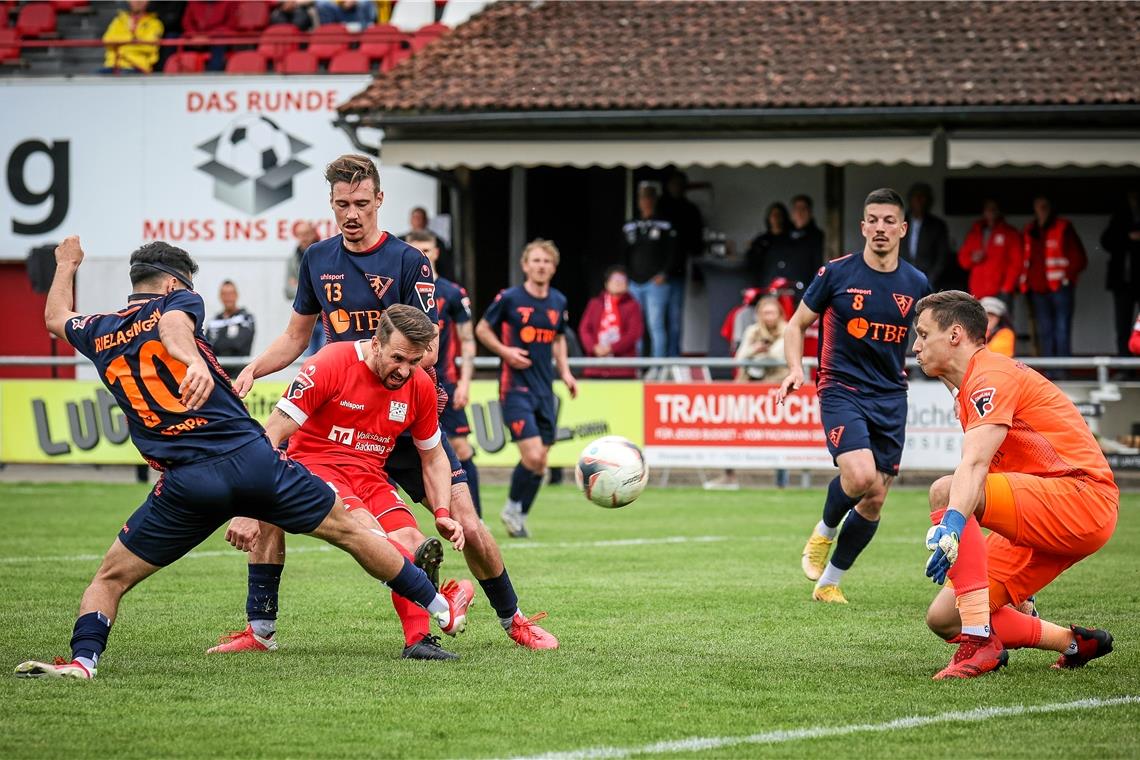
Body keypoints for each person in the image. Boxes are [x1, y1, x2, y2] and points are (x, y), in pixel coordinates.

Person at [14, 237, 467, 679]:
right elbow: (172, 328)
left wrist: (67, 264)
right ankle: (440, 606)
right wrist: (191, 358)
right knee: (351, 529)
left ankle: (83, 661)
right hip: (250, 460)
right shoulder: (178, 304)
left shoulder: (100, 329)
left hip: (187, 484)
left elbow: (56, 317)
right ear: (175, 286)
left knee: (110, 578)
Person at [220, 154, 558, 651]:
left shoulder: (406, 261)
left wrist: (403, 379)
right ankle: (261, 631)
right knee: (273, 496)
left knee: (466, 521)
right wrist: (253, 368)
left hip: (398, 412)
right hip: (339, 413)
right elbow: (296, 337)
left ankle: (515, 621)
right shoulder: (317, 259)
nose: (351, 213)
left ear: (380, 200)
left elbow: (431, 347)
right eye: (341, 204)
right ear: (331, 204)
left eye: (361, 203)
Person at [221, 305, 471, 661]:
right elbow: (271, 433)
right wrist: (245, 505)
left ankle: (419, 640)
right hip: (314, 468)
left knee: (414, 545)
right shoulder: (330, 363)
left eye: (414, 362)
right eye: (398, 358)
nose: (405, 370)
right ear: (375, 343)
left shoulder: (420, 384)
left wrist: (443, 510)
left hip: (370, 477)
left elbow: (433, 456)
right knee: (371, 536)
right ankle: (260, 632)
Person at [913, 290, 1117, 679]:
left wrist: (953, 525)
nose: (916, 346)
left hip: (1081, 497)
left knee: (946, 490)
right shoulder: (974, 383)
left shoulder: (990, 376)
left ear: (955, 335)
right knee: (943, 618)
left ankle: (977, 644)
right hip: (1047, 507)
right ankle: (1074, 643)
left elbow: (974, 465)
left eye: (923, 334)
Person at [781, 188, 931, 604]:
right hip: (840, 387)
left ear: (902, 229)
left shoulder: (917, 283)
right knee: (861, 476)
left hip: (891, 394)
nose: (880, 228)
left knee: (876, 497)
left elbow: (931, 340)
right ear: (862, 226)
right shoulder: (837, 273)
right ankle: (824, 532)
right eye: (873, 220)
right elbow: (795, 326)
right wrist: (796, 368)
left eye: (889, 221)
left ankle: (828, 583)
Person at [476, 239, 578, 539]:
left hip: (545, 389)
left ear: (554, 268)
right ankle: (512, 508)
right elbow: (482, 328)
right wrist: (505, 352)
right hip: (515, 388)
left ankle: (517, 512)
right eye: (535, 260)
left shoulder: (558, 301)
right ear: (525, 265)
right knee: (533, 456)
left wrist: (566, 372)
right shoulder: (510, 298)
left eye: (546, 262)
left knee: (541, 461)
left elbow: (558, 338)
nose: (540, 266)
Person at [406, 230, 482, 519]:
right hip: (407, 380)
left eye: (427, 248)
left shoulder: (451, 293)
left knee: (462, 450)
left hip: (444, 382)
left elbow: (469, 338)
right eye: (416, 249)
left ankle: (476, 519)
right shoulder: (400, 288)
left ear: (436, 252)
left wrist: (465, 383)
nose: (422, 254)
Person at [1020, 196, 1087, 357]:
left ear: (1051, 207)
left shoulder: (1063, 227)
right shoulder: (1030, 229)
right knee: (1044, 331)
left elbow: (1079, 259)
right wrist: (1025, 283)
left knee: (1062, 329)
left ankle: (1062, 371)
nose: (1041, 209)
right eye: (1038, 206)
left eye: (1044, 205)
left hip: (1060, 287)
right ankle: (1049, 373)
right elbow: (1025, 258)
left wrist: (1066, 278)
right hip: (1037, 288)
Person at [623, 183, 680, 358]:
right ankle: (637, 365)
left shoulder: (665, 224)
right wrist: (626, 276)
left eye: (649, 197)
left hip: (655, 283)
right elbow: (623, 252)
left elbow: (673, 252)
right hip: (634, 282)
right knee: (635, 325)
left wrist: (664, 273)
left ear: (655, 200)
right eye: (642, 197)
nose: (645, 201)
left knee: (656, 325)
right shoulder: (631, 225)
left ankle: (659, 367)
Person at [657, 170, 704, 357]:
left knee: (675, 320)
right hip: (655, 275)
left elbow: (696, 245)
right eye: (673, 183)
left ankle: (673, 359)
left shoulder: (690, 209)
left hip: (677, 271)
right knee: (656, 322)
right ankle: (654, 363)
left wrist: (697, 274)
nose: (675, 187)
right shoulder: (660, 208)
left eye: (679, 184)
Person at [578, 266, 643, 380]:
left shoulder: (633, 305)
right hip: (595, 367)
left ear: (627, 285)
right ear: (606, 284)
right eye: (614, 279)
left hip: (623, 369)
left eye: (622, 280)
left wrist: (611, 348)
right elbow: (584, 329)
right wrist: (593, 348)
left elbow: (633, 333)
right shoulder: (595, 304)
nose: (618, 282)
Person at [1100, 189, 1140, 356]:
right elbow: (1105, 241)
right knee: (1122, 327)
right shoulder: (1119, 217)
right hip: (1122, 282)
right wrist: (1127, 238)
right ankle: (1125, 368)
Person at [747, 203, 815, 301]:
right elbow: (752, 263)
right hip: (767, 285)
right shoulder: (761, 240)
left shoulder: (793, 239)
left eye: (779, 215)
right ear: (768, 217)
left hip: (791, 287)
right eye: (773, 215)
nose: (776, 218)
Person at [957, 199, 1022, 301]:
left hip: (1000, 291)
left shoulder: (1010, 233)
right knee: (978, 317)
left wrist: (1007, 288)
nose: (990, 212)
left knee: (1000, 317)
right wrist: (973, 258)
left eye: (993, 209)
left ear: (999, 211)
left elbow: (1016, 263)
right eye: (988, 209)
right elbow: (963, 260)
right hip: (977, 291)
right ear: (984, 212)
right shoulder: (975, 232)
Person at [904, 182, 961, 291]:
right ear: (910, 200)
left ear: (928, 201)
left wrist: (929, 279)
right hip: (901, 276)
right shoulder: (898, 222)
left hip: (927, 279)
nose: (919, 201)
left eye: (922, 197)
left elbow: (942, 257)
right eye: (916, 197)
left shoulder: (937, 225)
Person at [284, 222, 324, 357]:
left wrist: (300, 284)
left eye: (306, 234)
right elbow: (288, 291)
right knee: (307, 364)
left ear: (313, 234)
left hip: (326, 321)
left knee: (326, 360)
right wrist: (314, 287)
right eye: (300, 235)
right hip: (305, 321)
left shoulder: (325, 254)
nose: (304, 238)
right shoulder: (292, 259)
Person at [205, 280, 256, 377]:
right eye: (224, 294)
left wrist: (218, 341)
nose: (228, 297)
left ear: (236, 295)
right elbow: (206, 347)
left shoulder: (246, 318)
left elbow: (239, 345)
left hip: (239, 375)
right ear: (220, 296)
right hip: (217, 376)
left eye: (231, 293)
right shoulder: (214, 322)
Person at [734, 296, 789, 383]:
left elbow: (776, 355)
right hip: (751, 381)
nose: (769, 317)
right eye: (766, 313)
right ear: (759, 315)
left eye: (772, 313)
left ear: (779, 314)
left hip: (779, 380)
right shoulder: (752, 330)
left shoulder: (787, 330)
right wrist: (754, 349)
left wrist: (764, 351)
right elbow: (739, 358)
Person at [100, 0, 164, 74]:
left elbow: (149, 46)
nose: (138, 2)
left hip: (138, 68)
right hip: (111, 66)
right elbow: (106, 40)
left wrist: (120, 46)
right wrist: (133, 40)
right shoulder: (119, 20)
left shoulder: (155, 24)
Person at [181, 0, 238, 71]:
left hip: (218, 39)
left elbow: (231, 25)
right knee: (175, 40)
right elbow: (187, 23)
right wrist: (194, 36)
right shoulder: (193, 2)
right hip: (195, 39)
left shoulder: (230, 2)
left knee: (219, 43)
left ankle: (214, 75)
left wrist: (208, 36)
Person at [788, 195, 824, 275]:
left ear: (810, 212)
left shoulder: (819, 237)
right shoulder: (784, 237)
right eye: (797, 209)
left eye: (804, 209)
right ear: (792, 214)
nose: (800, 212)